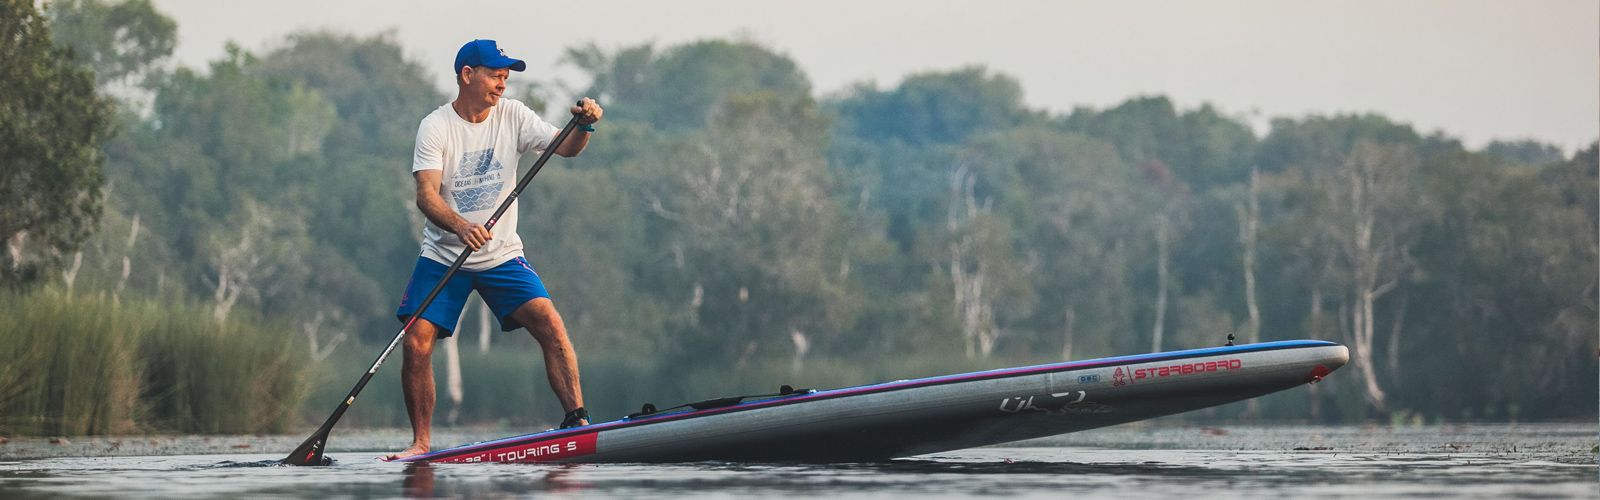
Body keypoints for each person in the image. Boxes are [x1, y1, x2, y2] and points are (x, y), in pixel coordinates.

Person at [385, 39, 604, 461]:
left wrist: (585, 125)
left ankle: (577, 421)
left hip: (501, 254)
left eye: (506, 77)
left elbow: (567, 148)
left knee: (550, 324)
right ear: (468, 75)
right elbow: (425, 195)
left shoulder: (513, 115)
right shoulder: (435, 127)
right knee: (416, 343)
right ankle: (421, 444)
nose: (502, 84)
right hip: (444, 256)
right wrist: (460, 225)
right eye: (495, 75)